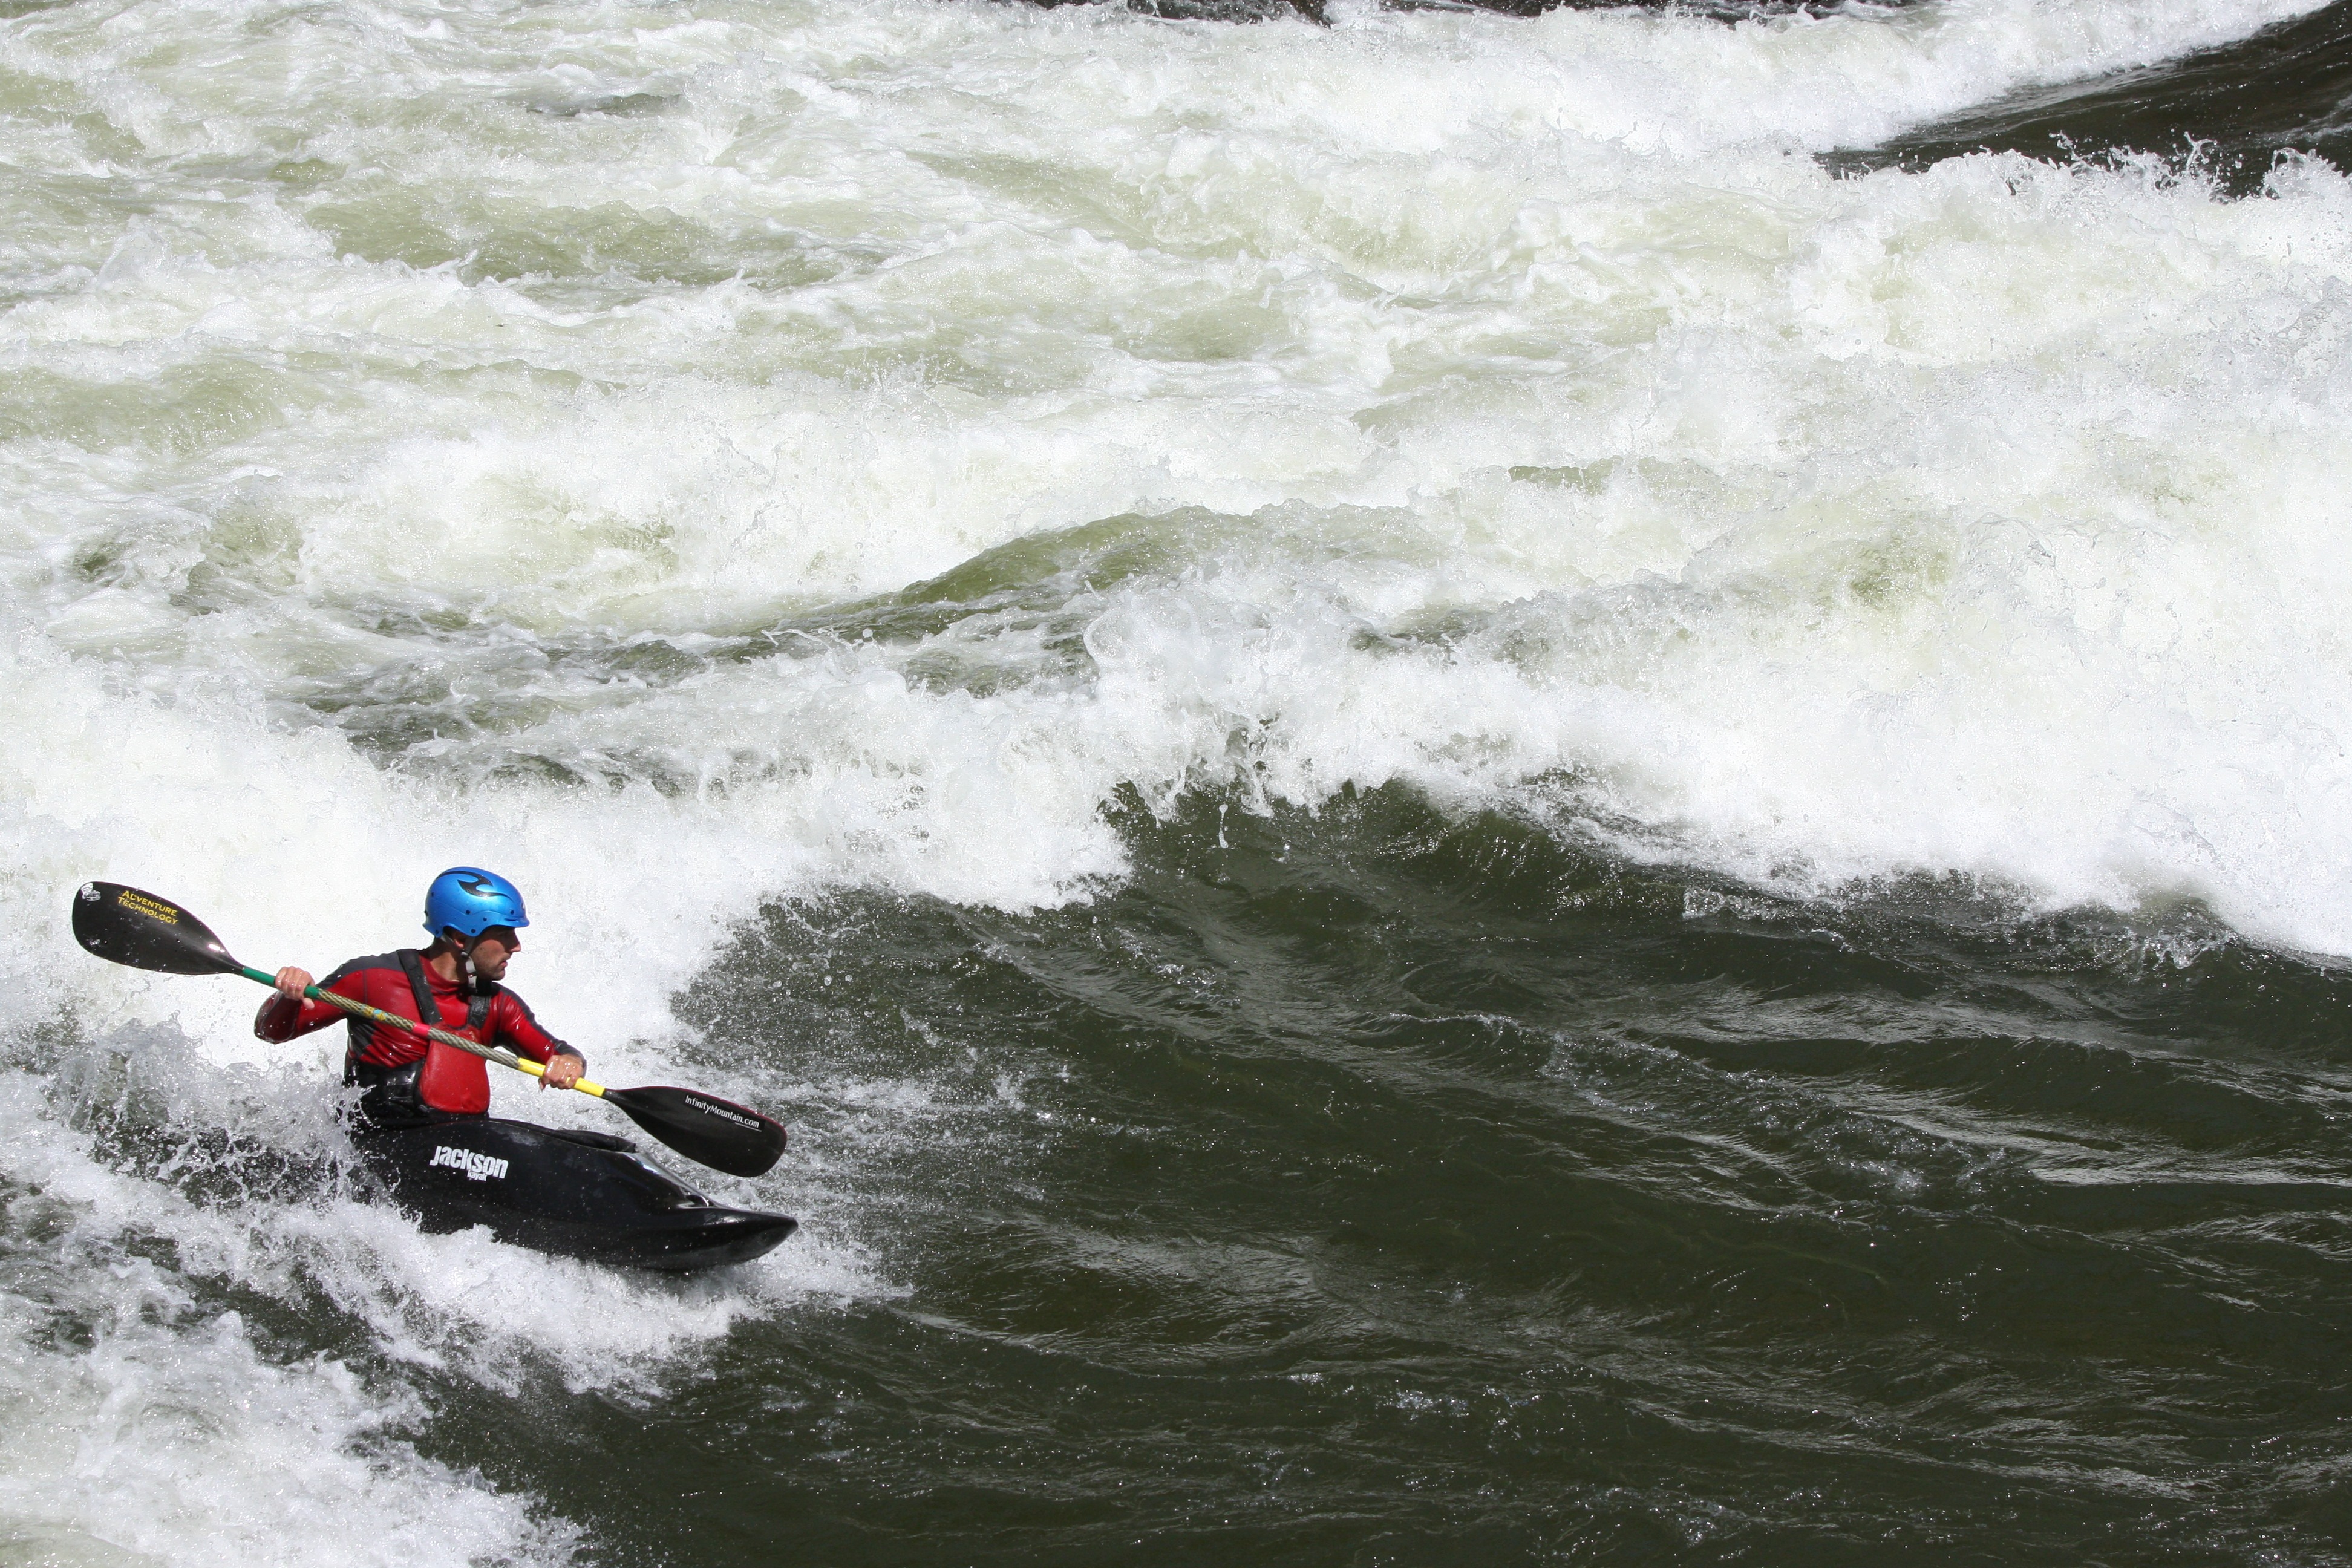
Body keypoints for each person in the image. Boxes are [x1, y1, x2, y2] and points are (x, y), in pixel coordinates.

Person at [255, 867, 584, 1129]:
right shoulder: (372, 980)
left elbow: (557, 1053)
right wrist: (290, 996)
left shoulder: (500, 1005)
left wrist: (569, 1063)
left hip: (466, 1147)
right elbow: (272, 1032)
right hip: (383, 1141)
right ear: (459, 937)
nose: (516, 946)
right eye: (503, 934)